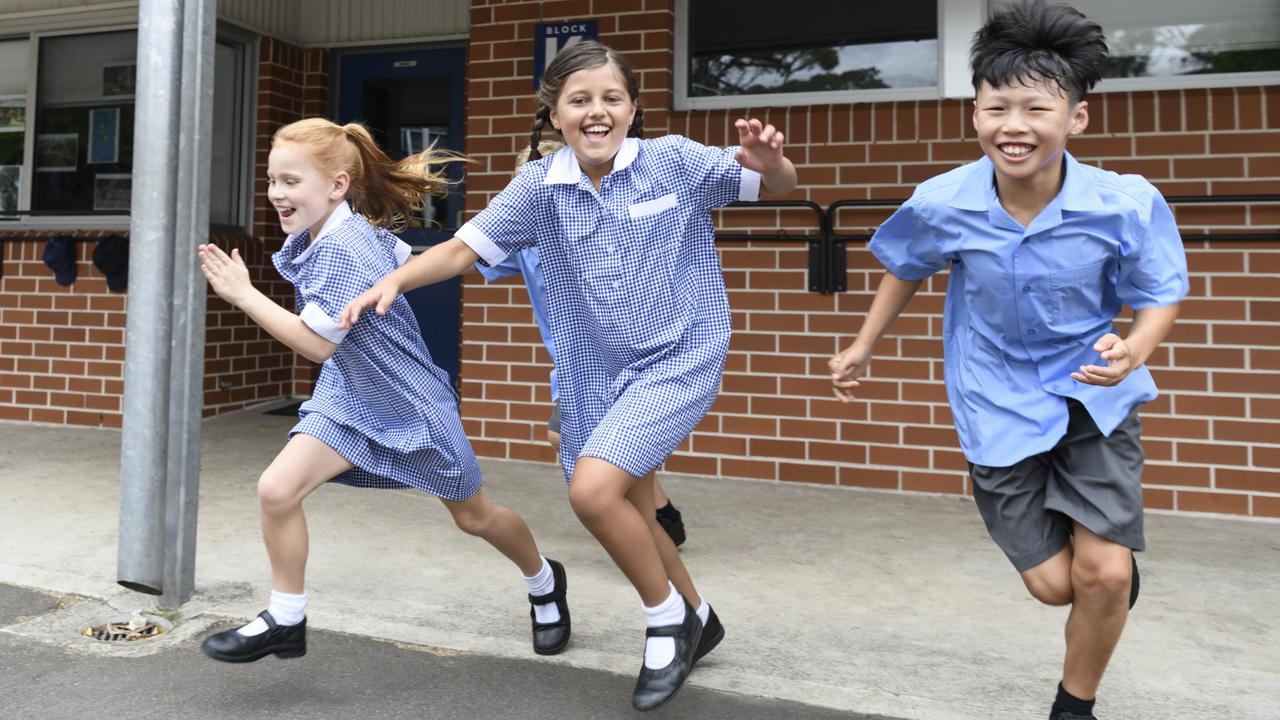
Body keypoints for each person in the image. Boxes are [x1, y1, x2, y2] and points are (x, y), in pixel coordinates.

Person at [340, 41, 797, 711]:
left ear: (633, 108)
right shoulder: (539, 186)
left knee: (592, 492)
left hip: (677, 357)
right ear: (554, 114)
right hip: (592, 375)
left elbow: (776, 184)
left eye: (612, 98)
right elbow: (466, 247)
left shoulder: (673, 161)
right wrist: (394, 281)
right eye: (579, 100)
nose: (597, 111)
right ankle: (699, 616)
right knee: (631, 508)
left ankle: (666, 621)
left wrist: (771, 163)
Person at [829, 3, 1187, 718]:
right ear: (975, 113)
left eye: (1036, 108)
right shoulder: (945, 201)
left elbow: (1159, 295)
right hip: (993, 399)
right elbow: (906, 264)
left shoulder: (1124, 204)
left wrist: (1136, 349)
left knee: (1104, 575)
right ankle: (1096, 581)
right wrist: (863, 344)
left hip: (1092, 393)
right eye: (996, 107)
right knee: (1056, 586)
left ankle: (1074, 702)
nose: (1013, 125)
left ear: (1076, 119)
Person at [197, 118, 571, 664]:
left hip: (409, 403)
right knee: (277, 491)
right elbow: (402, 260)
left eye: (291, 181)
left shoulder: (342, 245)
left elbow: (317, 346)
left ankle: (543, 582)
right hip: (349, 396)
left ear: (336, 185)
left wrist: (244, 295)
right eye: (273, 179)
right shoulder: (340, 232)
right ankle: (286, 617)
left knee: (475, 517)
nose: (277, 192)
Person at [476, 140, 689, 547]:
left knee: (578, 439)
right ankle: (658, 516)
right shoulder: (524, 242)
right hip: (574, 368)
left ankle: (653, 521)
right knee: (597, 442)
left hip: (618, 359)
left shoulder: (599, 231)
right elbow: (468, 254)